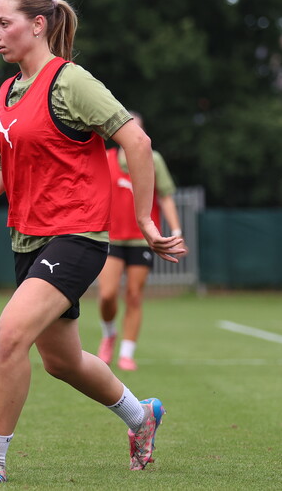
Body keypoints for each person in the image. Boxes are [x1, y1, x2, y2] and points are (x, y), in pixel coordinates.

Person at [0, 0, 185, 484]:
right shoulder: (9, 90)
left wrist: (145, 220)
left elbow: (137, 141)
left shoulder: (70, 81)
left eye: (3, 22)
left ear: (38, 25)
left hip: (77, 235)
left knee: (9, 336)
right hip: (28, 238)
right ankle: (142, 417)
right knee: (61, 362)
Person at [97, 112, 185, 371]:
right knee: (107, 294)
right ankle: (109, 333)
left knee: (134, 295)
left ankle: (127, 353)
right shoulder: (106, 157)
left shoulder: (153, 159)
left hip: (142, 240)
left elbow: (166, 196)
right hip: (111, 236)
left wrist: (177, 232)